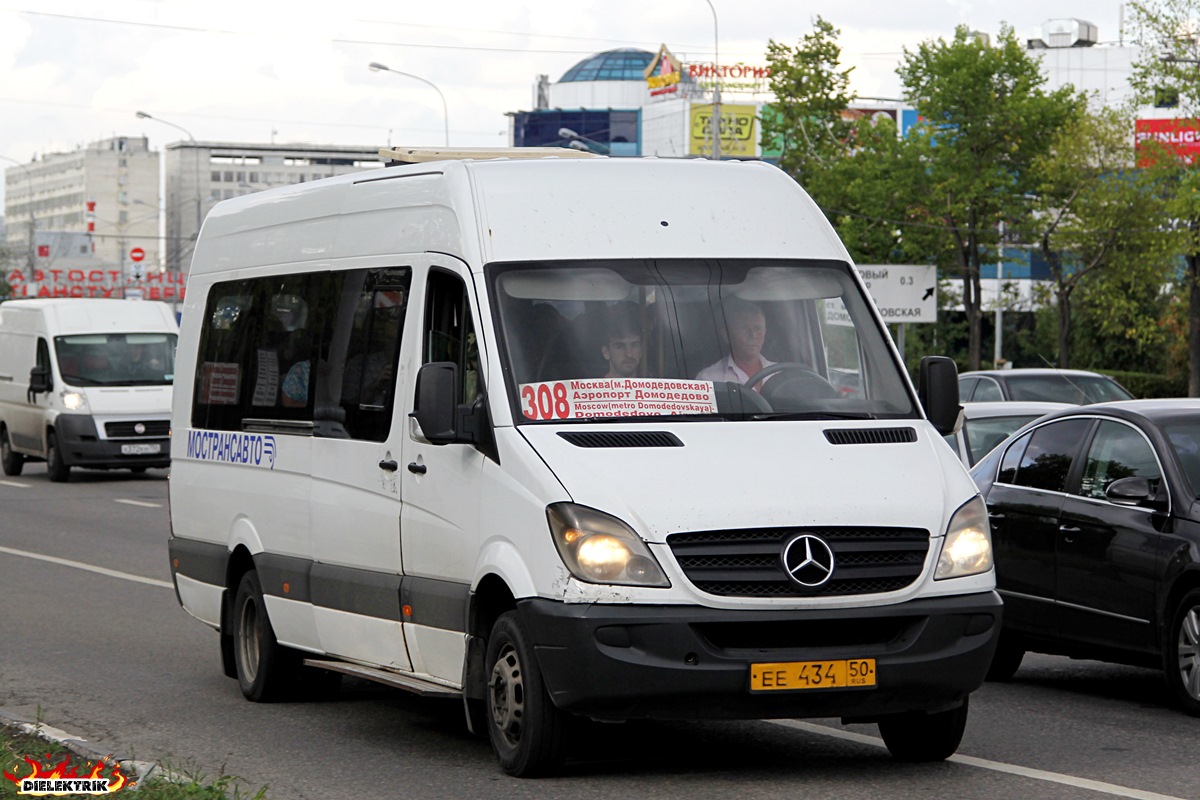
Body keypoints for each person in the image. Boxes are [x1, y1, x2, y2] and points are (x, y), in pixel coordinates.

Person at [695, 298, 775, 390]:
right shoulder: (709, 379)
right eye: (744, 329)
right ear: (726, 335)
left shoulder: (781, 373)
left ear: (765, 332)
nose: (753, 335)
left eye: (758, 329)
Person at [600, 305, 642, 379]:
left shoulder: (655, 387)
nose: (629, 354)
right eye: (620, 347)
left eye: (634, 345)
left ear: (641, 350)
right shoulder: (591, 390)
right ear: (606, 352)